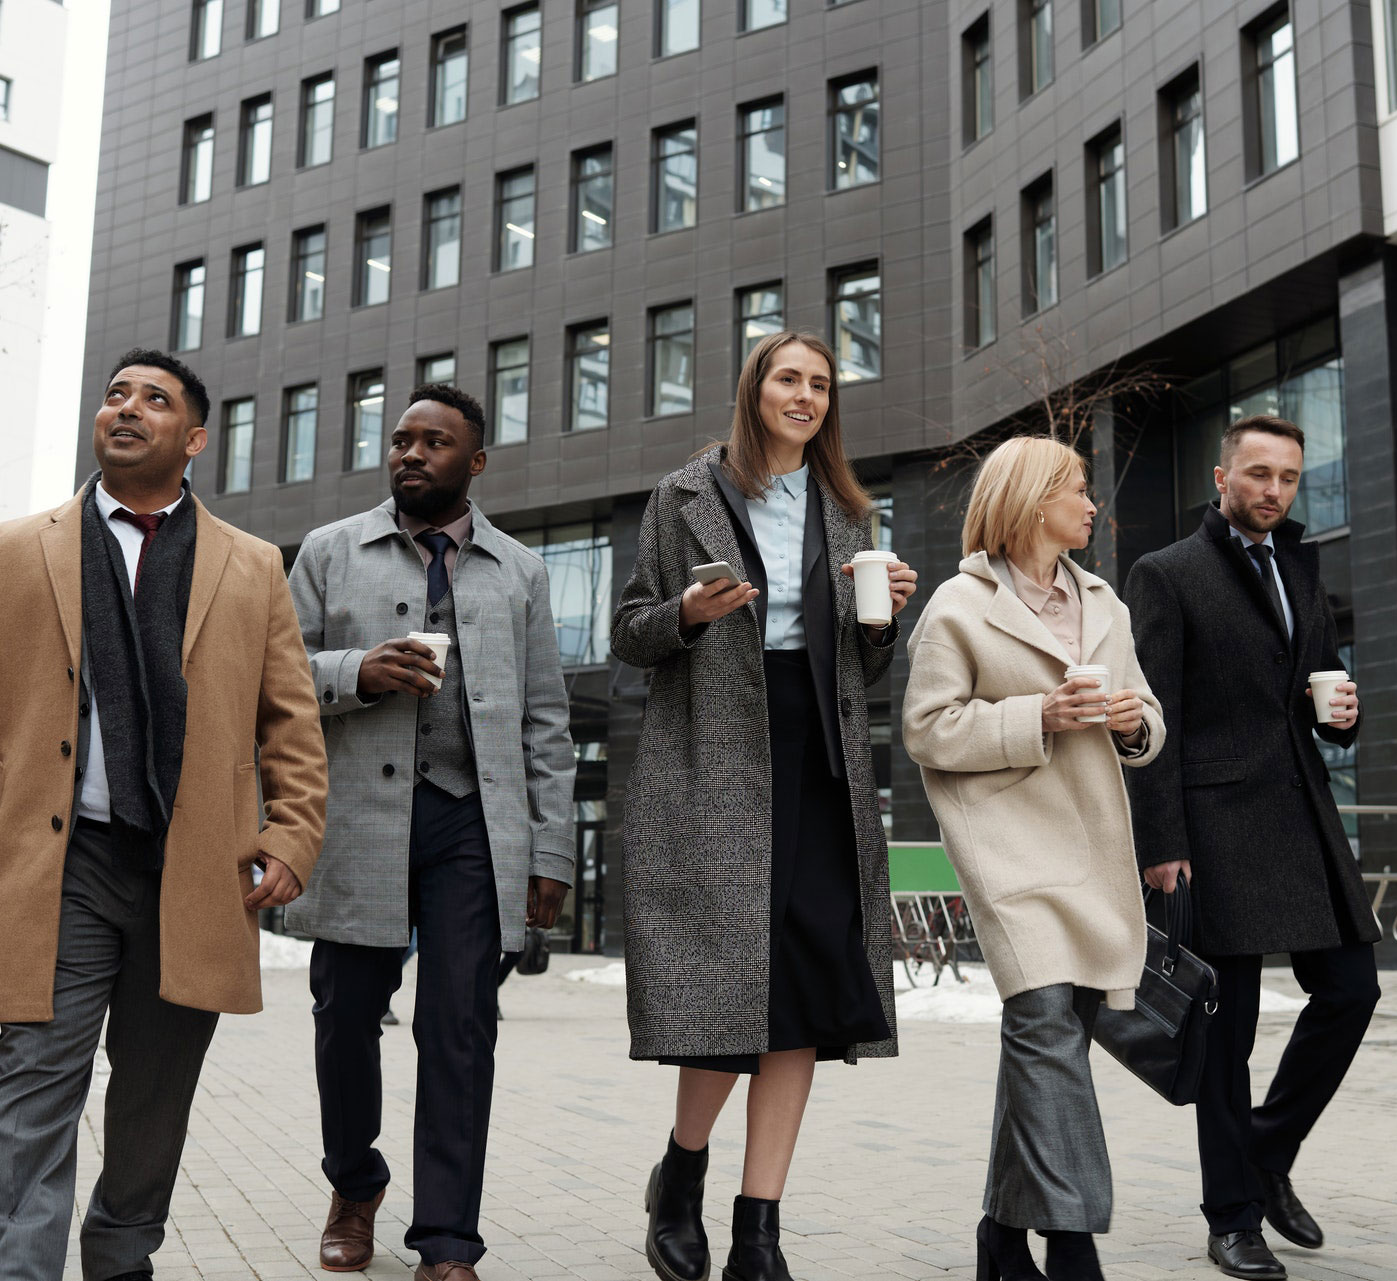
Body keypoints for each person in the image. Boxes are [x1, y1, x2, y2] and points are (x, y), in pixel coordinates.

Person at [0, 349, 328, 1281]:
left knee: (153, 1098)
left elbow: (290, 720)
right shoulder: (19, 548)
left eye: (155, 399)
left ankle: (120, 1255)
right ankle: (18, 1269)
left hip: (196, 871)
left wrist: (294, 830)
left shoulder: (253, 566)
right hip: (60, 867)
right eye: (115, 395)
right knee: (33, 1083)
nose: (127, 409)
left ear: (195, 437)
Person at [613, 331, 916, 1281]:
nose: (807, 395)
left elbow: (862, 672)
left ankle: (759, 1229)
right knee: (727, 988)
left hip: (820, 763)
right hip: (713, 760)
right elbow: (629, 633)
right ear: (755, 388)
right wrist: (689, 616)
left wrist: (884, 620)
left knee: (809, 997)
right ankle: (684, 1171)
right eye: (790, 378)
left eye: (822, 384)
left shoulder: (845, 511)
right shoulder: (686, 494)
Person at [288, 383, 576, 1281]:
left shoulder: (520, 571)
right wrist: (355, 670)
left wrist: (552, 849)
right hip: (357, 820)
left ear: (475, 462)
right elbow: (272, 677)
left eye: (436, 442)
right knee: (343, 1021)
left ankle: (448, 1241)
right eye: (402, 439)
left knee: (460, 1030)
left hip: (471, 824)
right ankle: (355, 1179)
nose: (411, 453)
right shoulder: (330, 551)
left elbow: (546, 721)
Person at [1121, 414, 1381, 1281]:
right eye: (1259, 473)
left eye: (1290, 478)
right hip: (1215, 829)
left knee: (1352, 987)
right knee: (1224, 1036)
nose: (1274, 490)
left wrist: (1340, 716)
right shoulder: (1167, 573)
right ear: (1222, 475)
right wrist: (1161, 841)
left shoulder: (1299, 567)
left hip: (1302, 815)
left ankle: (1266, 1150)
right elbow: (1156, 717)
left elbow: (1315, 684)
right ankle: (1231, 1214)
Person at [903, 436, 1165, 1281]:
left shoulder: (1106, 605)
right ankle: (1073, 1243)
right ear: (1031, 498)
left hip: (1091, 842)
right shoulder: (956, 605)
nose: (1092, 506)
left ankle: (1001, 1231)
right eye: (1077, 490)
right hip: (1006, 839)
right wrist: (1038, 716)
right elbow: (927, 728)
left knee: (1056, 1035)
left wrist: (1131, 722)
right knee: (1046, 1019)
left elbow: (1148, 721)